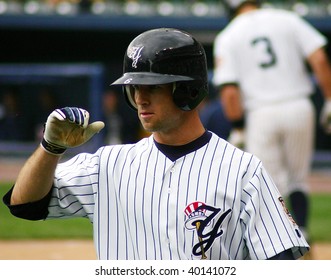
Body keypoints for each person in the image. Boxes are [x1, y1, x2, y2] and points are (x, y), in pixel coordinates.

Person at [3, 28, 309, 260]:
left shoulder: (243, 171)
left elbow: (280, 259)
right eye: (134, 87)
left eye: (152, 86)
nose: (139, 98)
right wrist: (50, 148)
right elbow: (25, 205)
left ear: (187, 90)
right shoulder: (106, 165)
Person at [213, 0, 331, 244]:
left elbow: (230, 92)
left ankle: (279, 241)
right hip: (299, 105)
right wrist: (330, 99)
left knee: (269, 183)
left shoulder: (229, 35)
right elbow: (319, 59)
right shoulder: (286, 18)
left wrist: (237, 126)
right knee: (298, 178)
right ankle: (304, 232)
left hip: (261, 113)